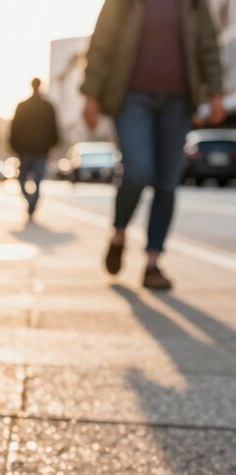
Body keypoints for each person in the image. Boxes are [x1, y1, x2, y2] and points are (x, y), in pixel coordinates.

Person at [82, 0, 224, 290]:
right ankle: (120, 233)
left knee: (167, 182)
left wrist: (216, 91)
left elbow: (208, 44)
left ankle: (152, 262)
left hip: (179, 99)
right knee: (137, 171)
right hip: (131, 96)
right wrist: (92, 93)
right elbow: (102, 41)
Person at [10, 78, 60, 220]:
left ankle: (31, 203)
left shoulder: (25, 106)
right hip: (36, 150)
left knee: (25, 179)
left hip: (30, 150)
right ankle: (32, 203)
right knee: (36, 179)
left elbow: (15, 128)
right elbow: (54, 128)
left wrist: (14, 146)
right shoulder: (47, 106)